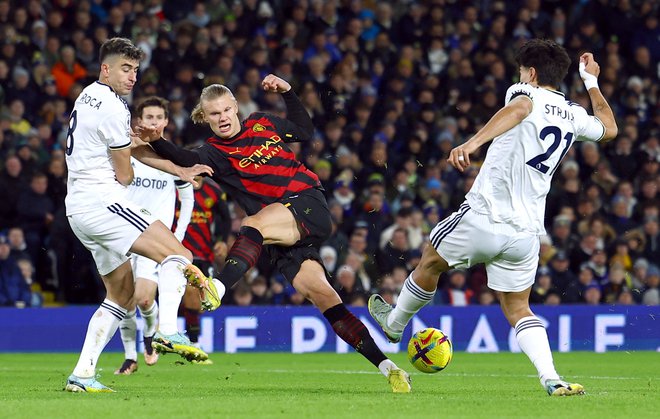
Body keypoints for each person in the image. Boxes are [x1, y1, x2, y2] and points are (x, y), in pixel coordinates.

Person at [367, 40, 617, 397]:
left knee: (431, 261)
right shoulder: (574, 113)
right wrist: (591, 82)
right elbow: (610, 128)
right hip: (527, 232)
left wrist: (472, 144)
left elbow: (519, 109)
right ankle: (552, 378)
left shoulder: (525, 92)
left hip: (485, 216)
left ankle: (393, 324)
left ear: (530, 73)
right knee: (518, 307)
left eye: (521, 70)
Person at [136, 74, 412, 393]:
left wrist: (289, 92)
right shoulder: (213, 152)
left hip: (306, 201)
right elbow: (184, 159)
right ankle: (389, 368)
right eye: (214, 114)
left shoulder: (261, 123)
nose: (222, 117)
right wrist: (156, 138)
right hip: (279, 235)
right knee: (324, 297)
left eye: (226, 110)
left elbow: (305, 131)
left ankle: (218, 288)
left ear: (236, 107)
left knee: (251, 225)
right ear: (206, 118)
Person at [63, 38, 213, 393]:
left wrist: (178, 169)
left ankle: (82, 375)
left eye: (135, 70)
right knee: (181, 254)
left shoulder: (88, 95)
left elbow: (131, 148)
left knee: (121, 295)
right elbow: (126, 173)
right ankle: (167, 330)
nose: (132, 77)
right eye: (125, 69)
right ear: (106, 68)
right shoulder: (114, 109)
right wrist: (131, 149)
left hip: (79, 209)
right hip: (104, 203)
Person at [113, 96, 195, 375]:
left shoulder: (171, 156)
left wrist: (177, 236)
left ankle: (149, 335)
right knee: (121, 298)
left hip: (153, 238)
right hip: (122, 233)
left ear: (166, 122)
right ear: (139, 122)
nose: (155, 122)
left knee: (143, 299)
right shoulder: (126, 151)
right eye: (149, 118)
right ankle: (129, 356)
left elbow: (188, 198)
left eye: (159, 118)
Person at [178, 174, 230, 347]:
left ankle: (189, 338)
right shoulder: (174, 188)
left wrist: (222, 239)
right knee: (189, 295)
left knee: (200, 302)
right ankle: (193, 343)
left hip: (204, 253)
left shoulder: (213, 191)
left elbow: (225, 218)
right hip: (177, 251)